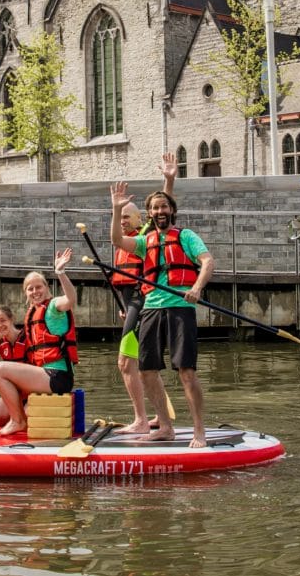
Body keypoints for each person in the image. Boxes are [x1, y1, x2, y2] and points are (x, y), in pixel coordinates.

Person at [109, 180, 214, 448]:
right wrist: (116, 208)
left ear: (172, 210)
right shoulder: (145, 242)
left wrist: (196, 288)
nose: (160, 211)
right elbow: (117, 240)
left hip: (180, 307)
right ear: (150, 214)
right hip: (152, 309)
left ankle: (199, 431)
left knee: (186, 372)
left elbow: (207, 261)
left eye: (164, 206)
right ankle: (165, 427)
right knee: (147, 370)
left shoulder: (186, 236)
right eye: (155, 208)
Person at [112, 153, 176, 434]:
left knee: (127, 363)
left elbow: (163, 209)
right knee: (140, 365)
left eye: (126, 216)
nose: (122, 221)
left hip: (144, 304)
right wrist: (125, 308)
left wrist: (168, 180)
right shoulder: (126, 242)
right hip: (133, 306)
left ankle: (141, 420)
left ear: (139, 219)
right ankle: (158, 418)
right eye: (120, 217)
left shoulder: (147, 234)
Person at [0, 250, 78, 436]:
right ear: (26, 293)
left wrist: (60, 272)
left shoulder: (53, 307)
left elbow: (70, 299)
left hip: (57, 376)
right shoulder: (32, 312)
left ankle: (17, 421)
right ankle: (18, 417)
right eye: (30, 289)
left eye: (39, 287)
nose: (35, 291)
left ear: (46, 287)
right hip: (43, 375)